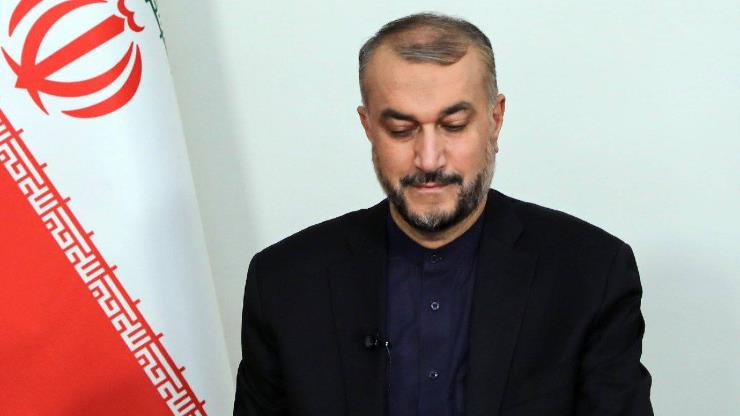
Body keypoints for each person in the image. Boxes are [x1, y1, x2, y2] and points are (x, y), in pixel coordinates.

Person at [234, 12, 653, 416]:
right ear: (368, 126)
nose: (429, 159)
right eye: (401, 130)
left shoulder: (591, 273)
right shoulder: (284, 281)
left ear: (495, 119)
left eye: (453, 125)